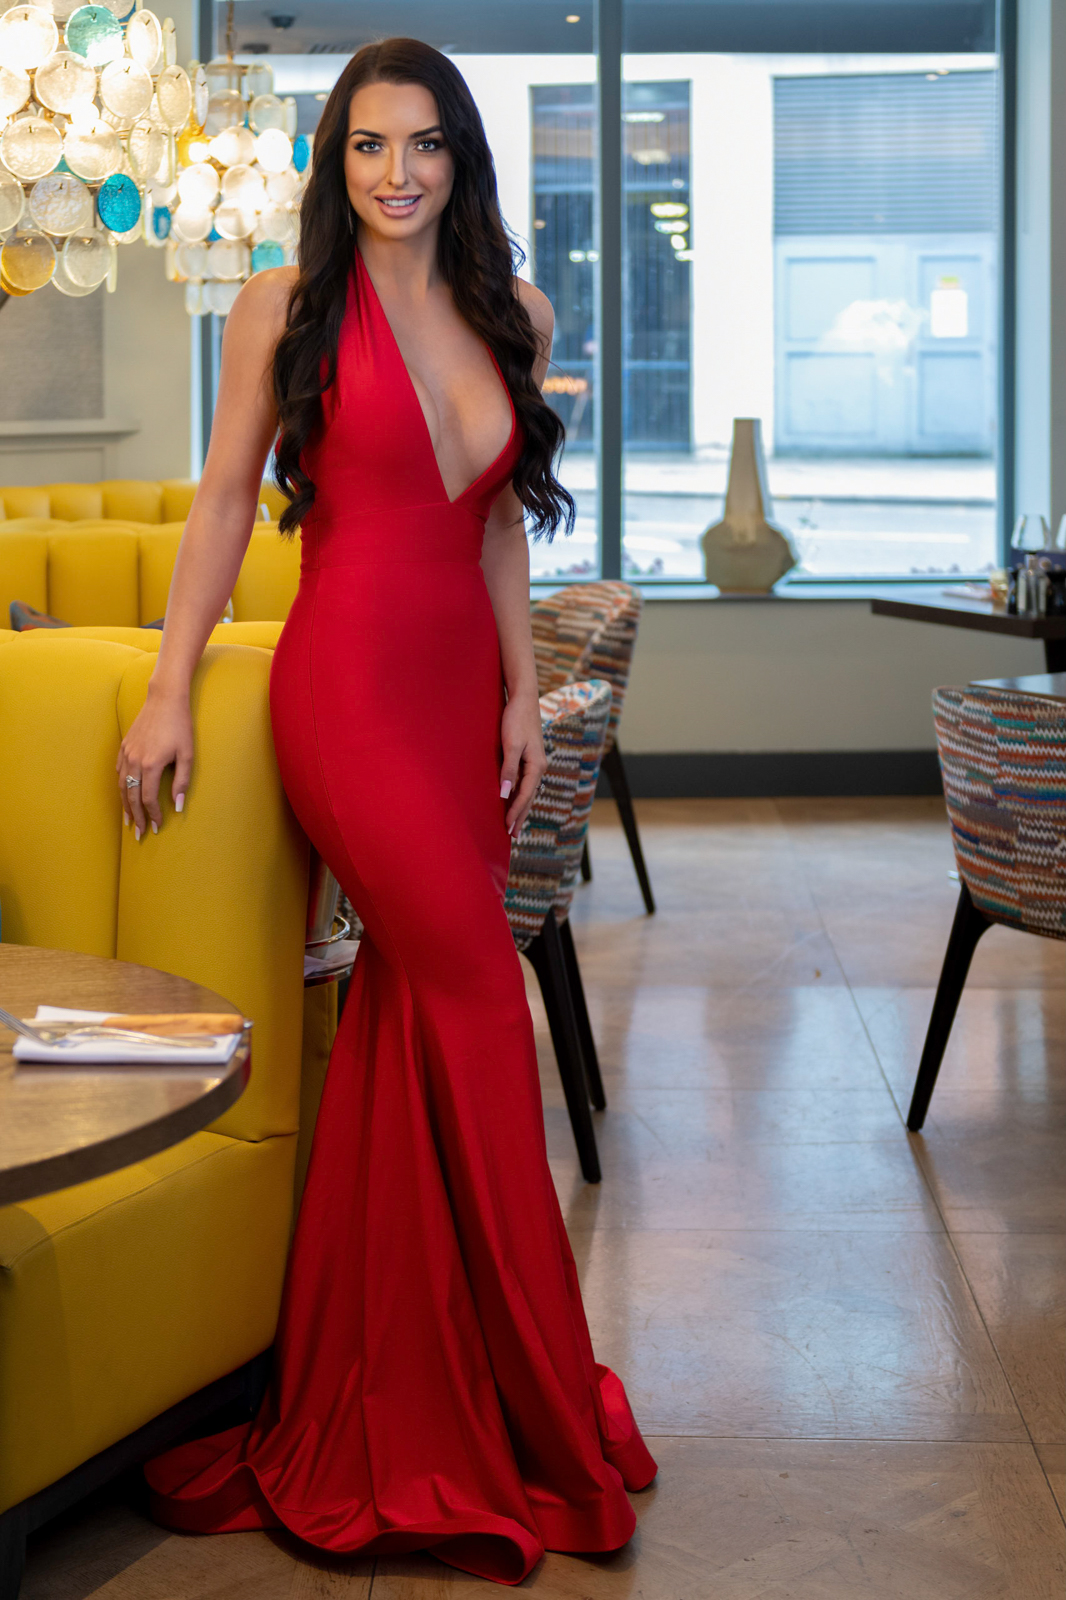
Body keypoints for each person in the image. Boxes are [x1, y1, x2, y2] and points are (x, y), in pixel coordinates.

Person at [118, 37, 656, 1586]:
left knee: (416, 1032)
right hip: (343, 698)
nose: (396, 173)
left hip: (451, 711)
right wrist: (168, 687)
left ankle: (417, 1374)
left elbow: (494, 526)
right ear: (333, 162)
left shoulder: (517, 314)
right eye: (366, 145)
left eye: (422, 144)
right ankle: (541, 1400)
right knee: (482, 1004)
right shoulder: (281, 310)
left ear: (459, 159)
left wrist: (514, 693)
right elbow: (226, 499)